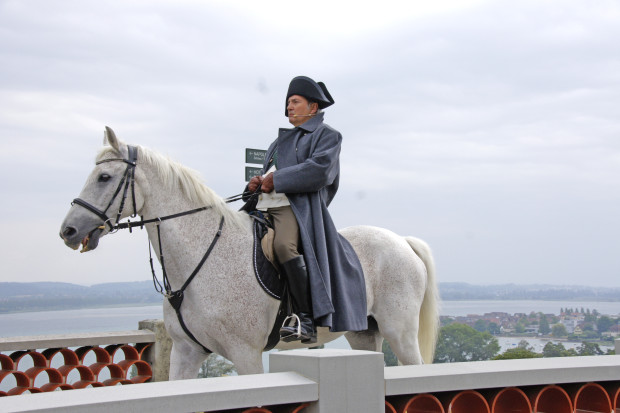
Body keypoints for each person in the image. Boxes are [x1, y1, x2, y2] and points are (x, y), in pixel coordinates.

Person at [246, 76, 368, 343]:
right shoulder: (277, 143)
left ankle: (305, 319)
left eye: (294, 102)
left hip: (295, 206)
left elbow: (320, 170)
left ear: (312, 107)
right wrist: (255, 183)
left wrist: (276, 180)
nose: (289, 107)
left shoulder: (328, 136)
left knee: (283, 247)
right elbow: (268, 174)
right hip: (265, 205)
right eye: (288, 102)